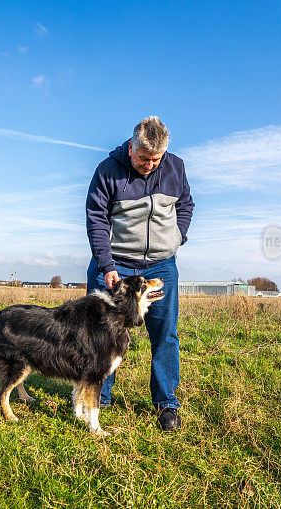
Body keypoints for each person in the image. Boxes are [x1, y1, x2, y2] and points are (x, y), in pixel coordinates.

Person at [85, 116, 194, 431]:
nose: (149, 164)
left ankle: (166, 405)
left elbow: (186, 204)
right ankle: (98, 398)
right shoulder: (107, 171)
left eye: (156, 159)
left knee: (165, 335)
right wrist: (106, 265)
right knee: (101, 334)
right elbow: (96, 218)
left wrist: (177, 236)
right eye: (144, 158)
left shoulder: (176, 168)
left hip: (161, 266)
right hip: (117, 264)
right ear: (131, 146)